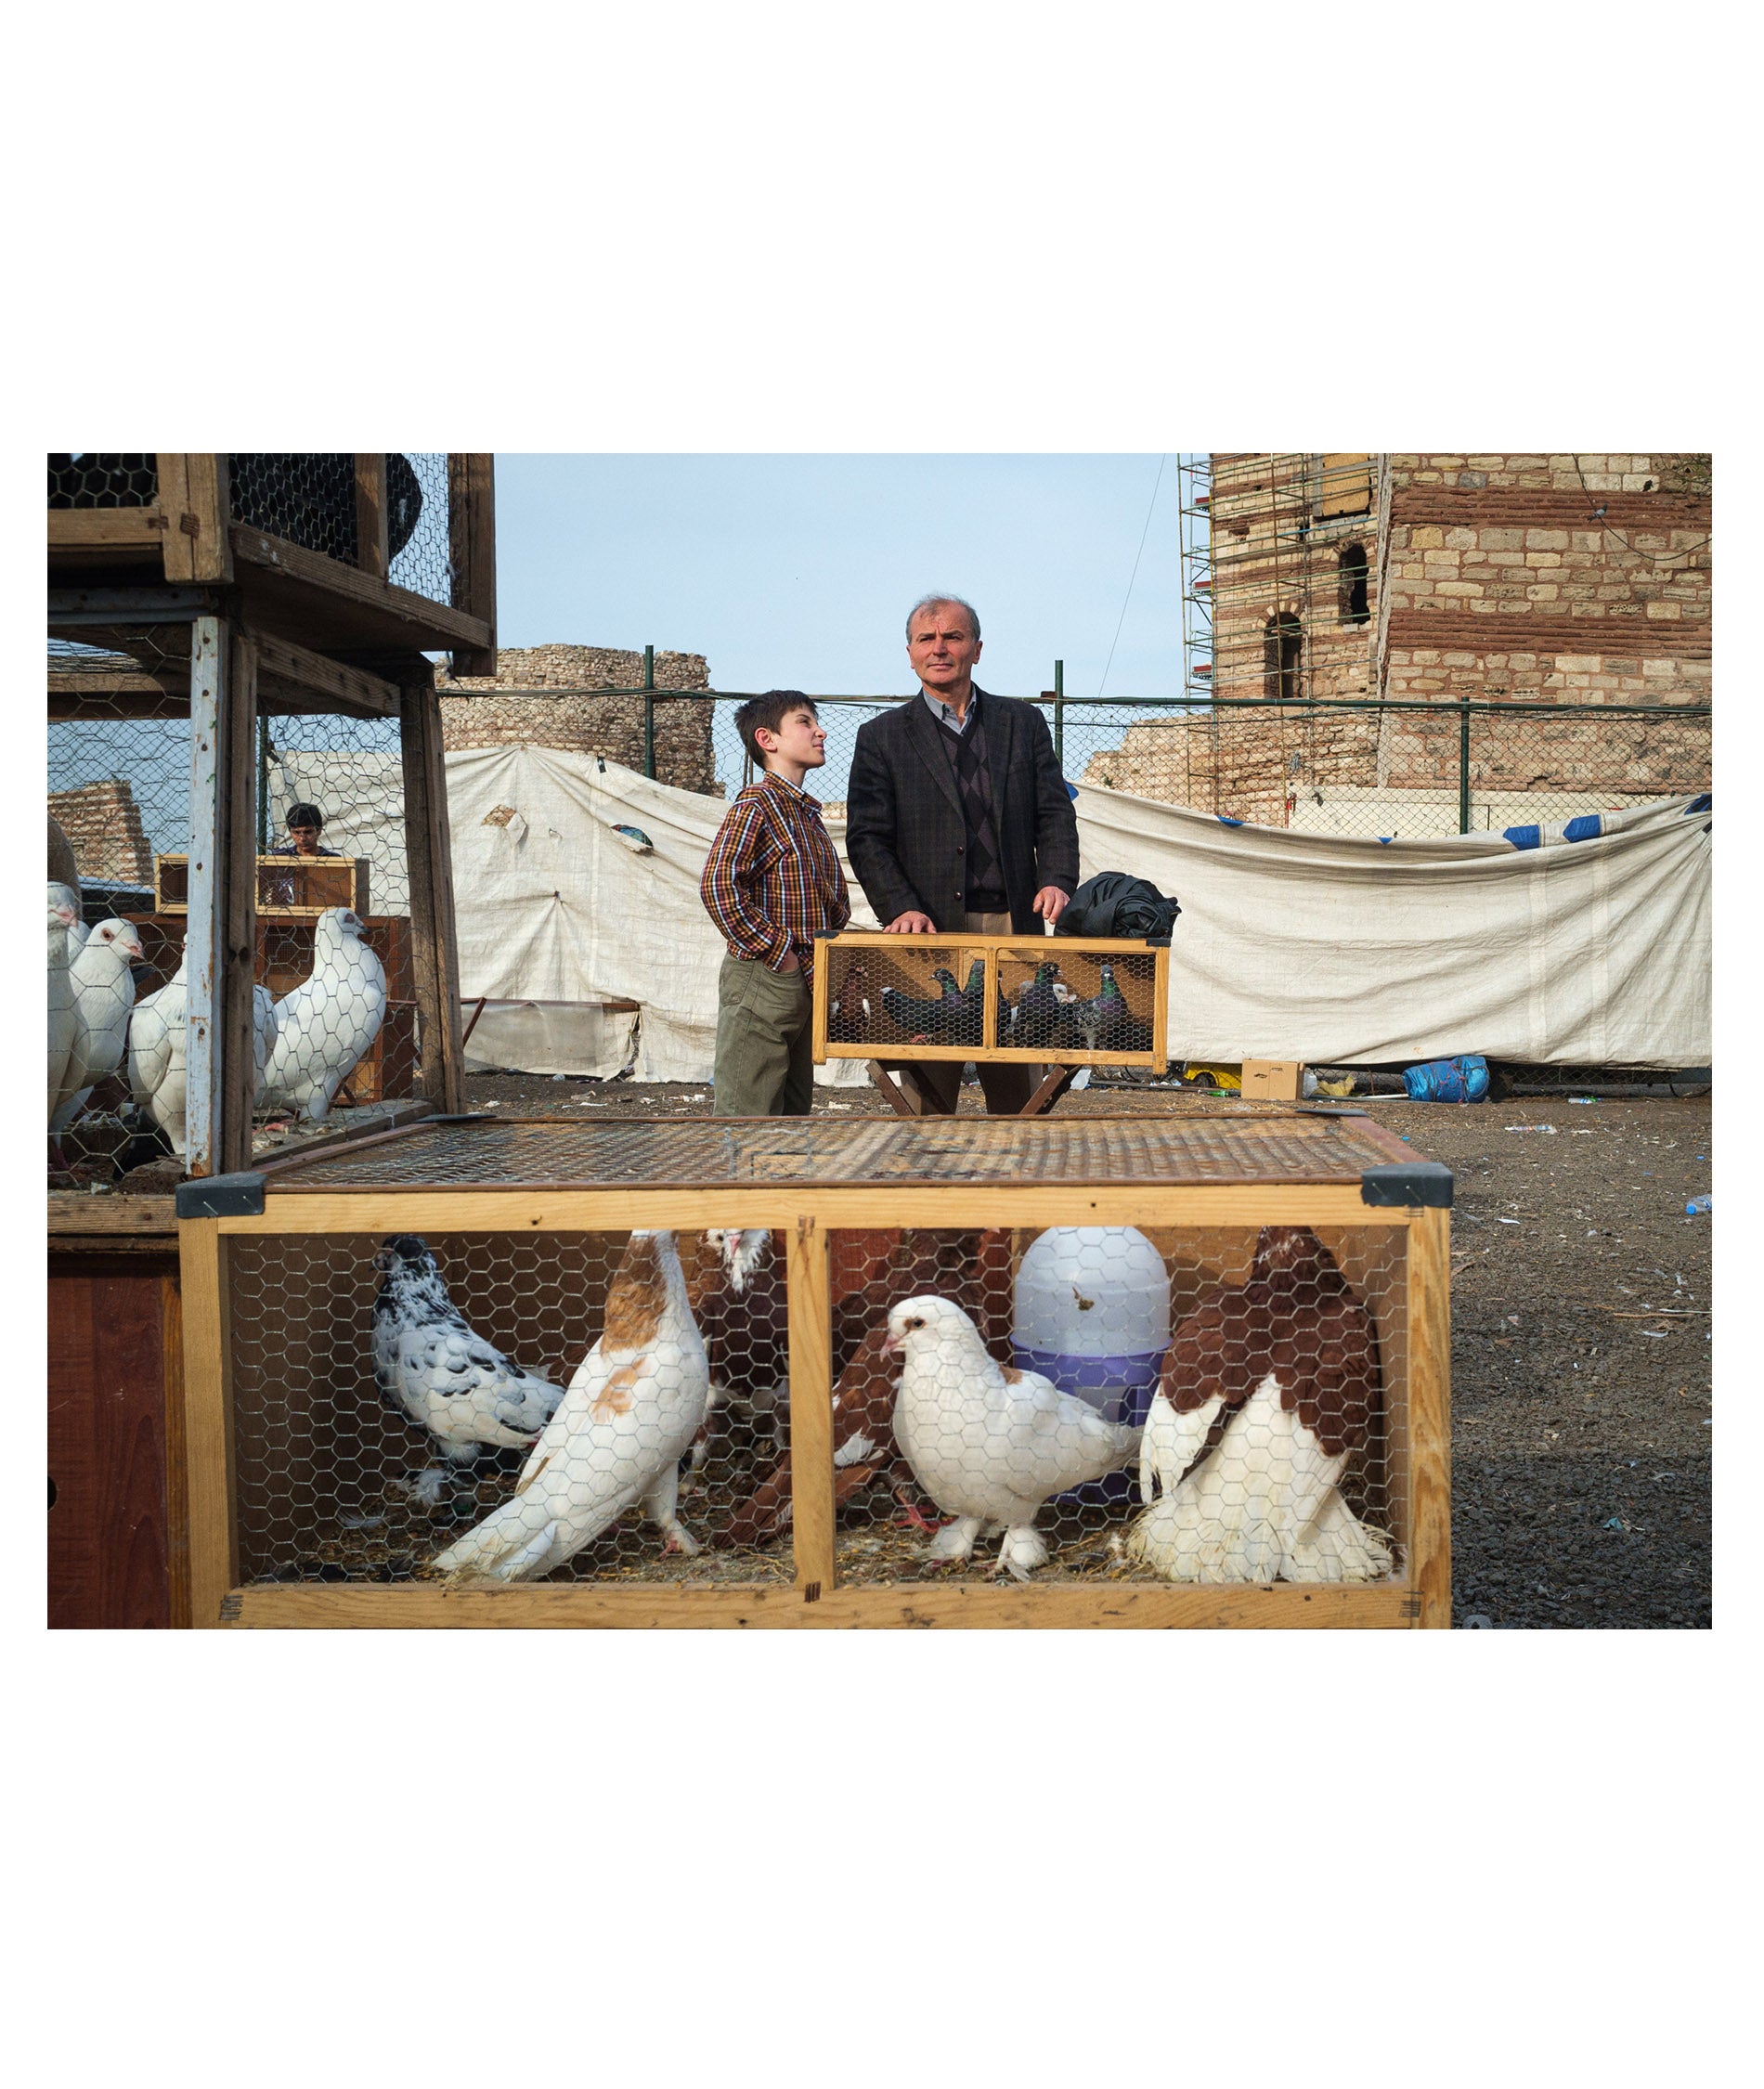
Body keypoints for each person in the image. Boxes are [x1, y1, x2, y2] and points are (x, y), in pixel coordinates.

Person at [844, 594, 1079, 1113]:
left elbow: (1054, 814)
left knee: (1018, 1082)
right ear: (909, 653)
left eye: (952, 637)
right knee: (930, 1082)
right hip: (929, 929)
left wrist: (1057, 878)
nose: (939, 648)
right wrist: (900, 906)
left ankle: (1014, 1183)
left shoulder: (1023, 723)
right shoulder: (881, 738)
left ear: (976, 648)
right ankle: (926, 1185)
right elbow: (866, 836)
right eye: (926, 639)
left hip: (1011, 922)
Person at [700, 691, 850, 1116]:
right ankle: (740, 1187)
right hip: (764, 976)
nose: (820, 731)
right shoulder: (755, 805)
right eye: (804, 722)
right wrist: (777, 952)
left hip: (803, 980)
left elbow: (835, 904)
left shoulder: (807, 817)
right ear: (768, 739)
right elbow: (718, 886)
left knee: (791, 1118)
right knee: (748, 1117)